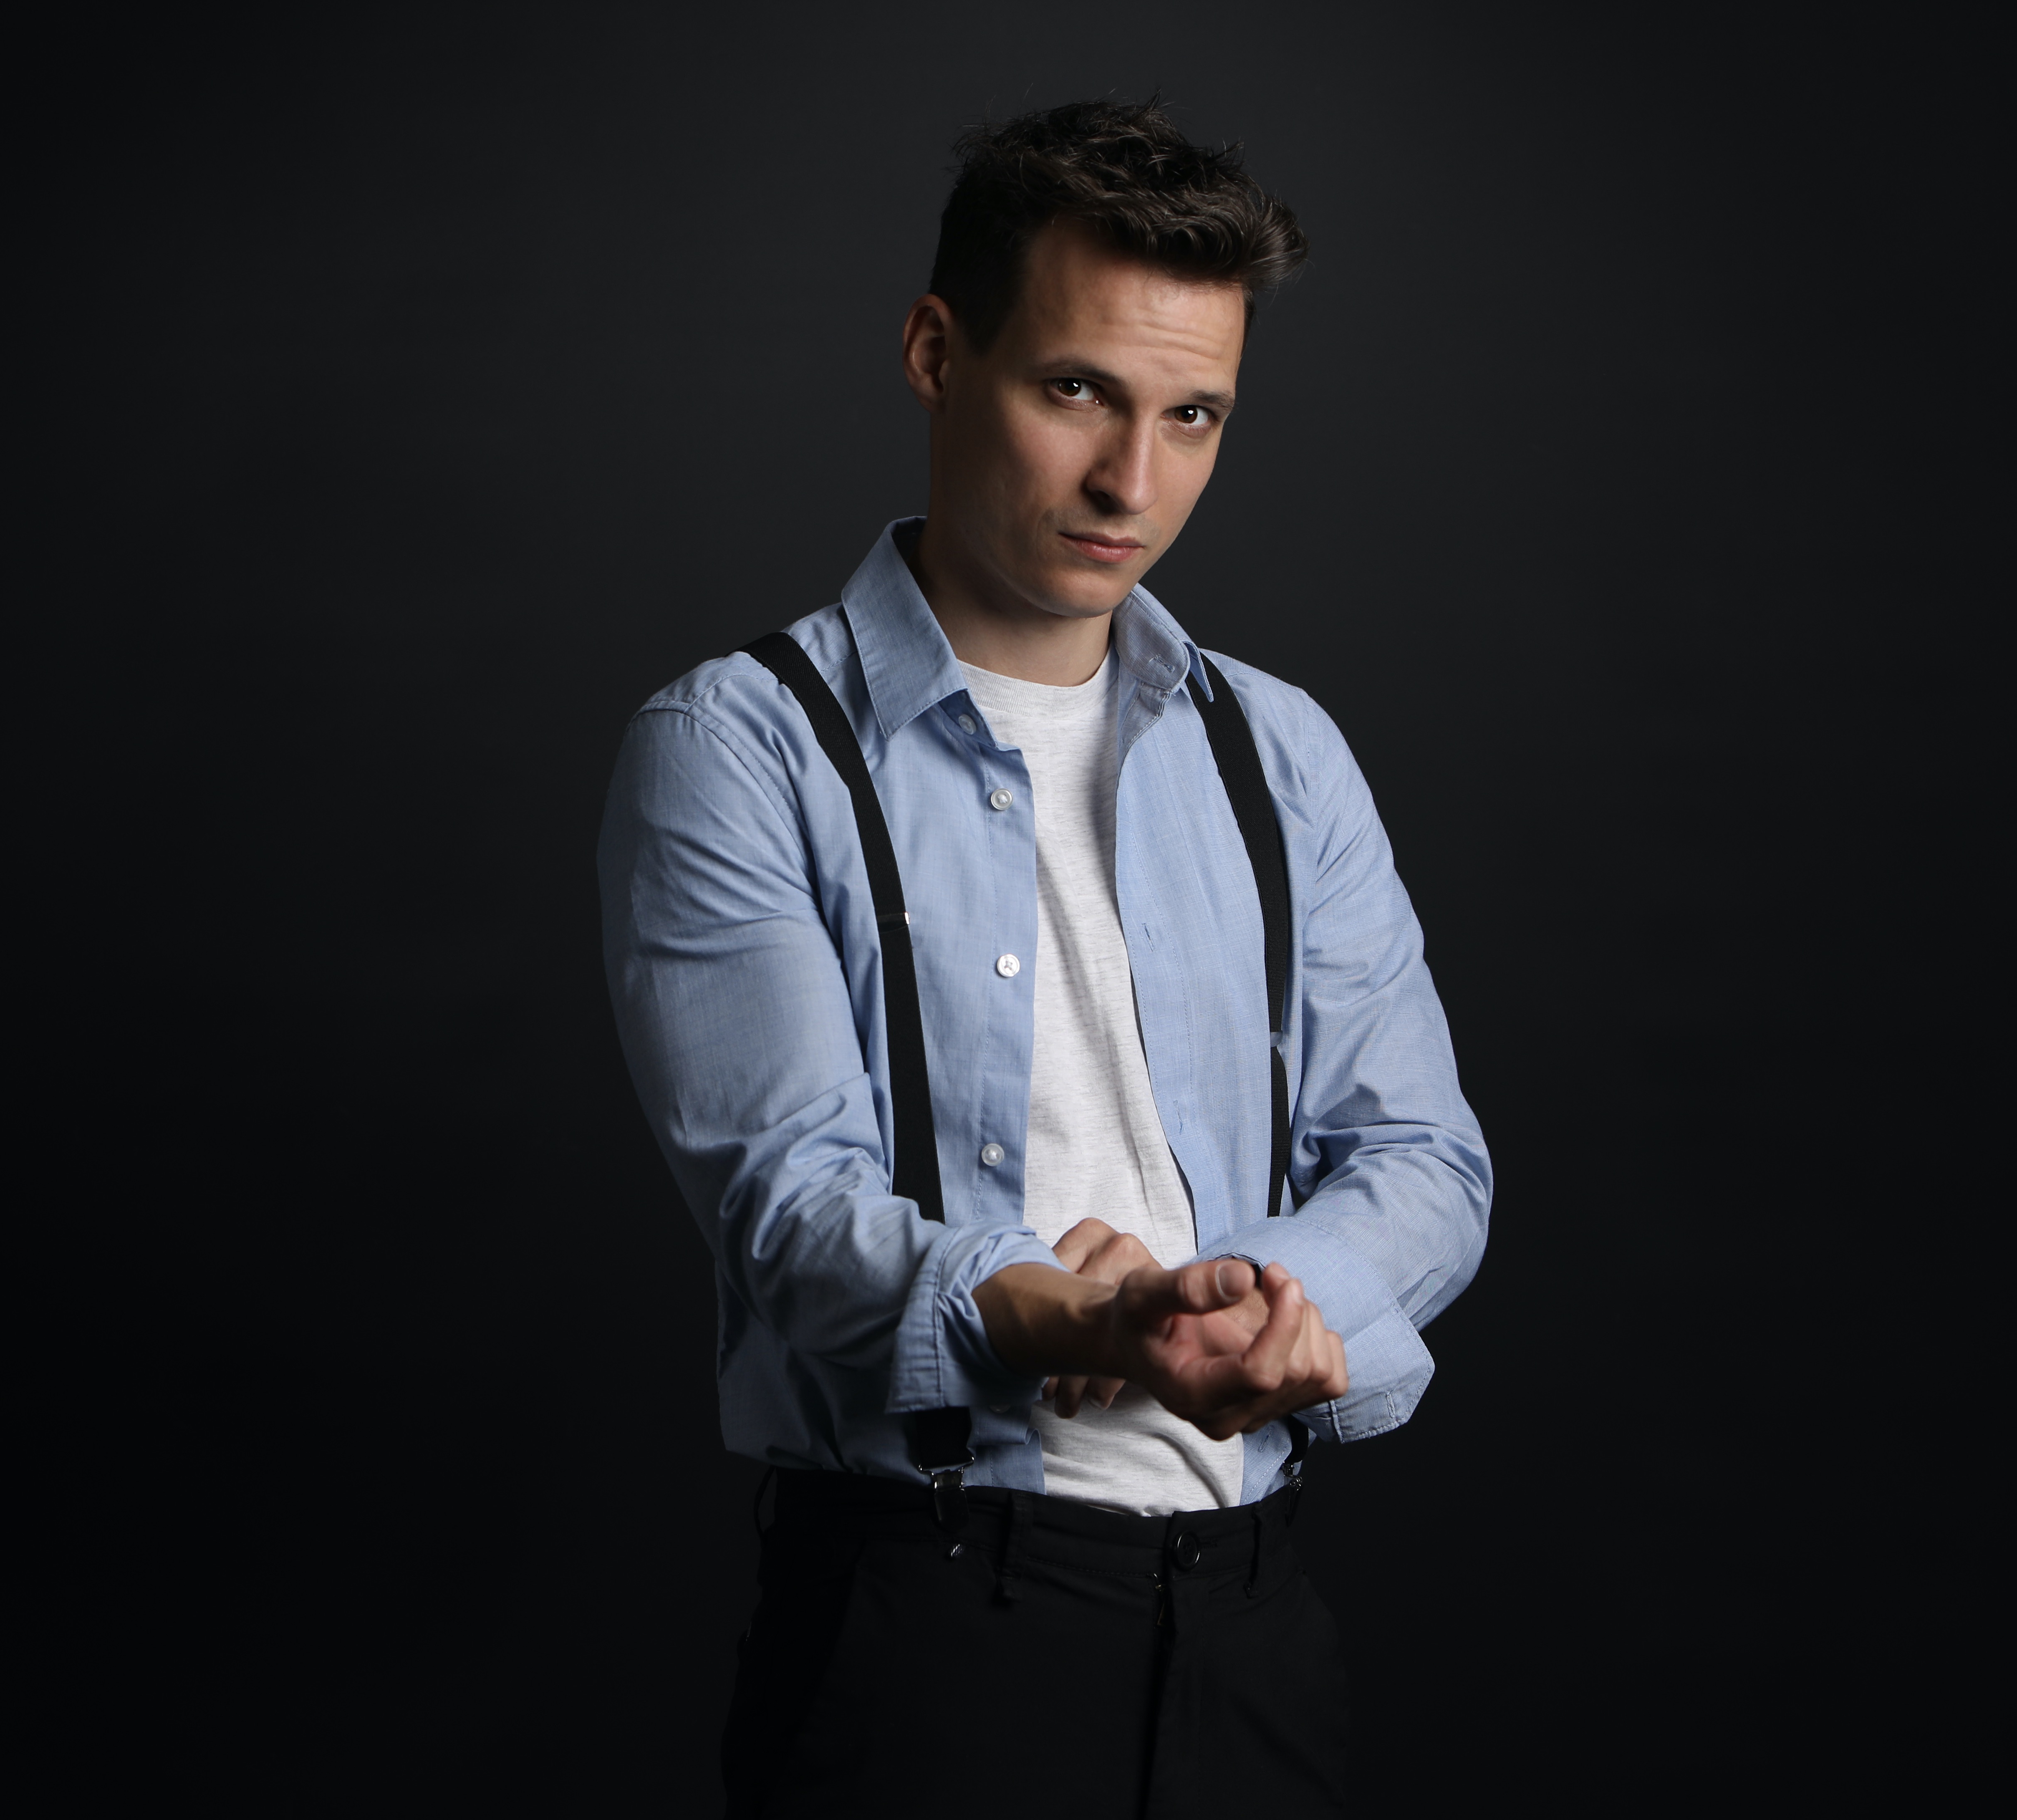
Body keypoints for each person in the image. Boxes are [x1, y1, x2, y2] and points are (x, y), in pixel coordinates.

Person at [598, 98, 1491, 1818]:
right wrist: (1084, 1315)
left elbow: (1423, 1160)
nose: (1129, 483)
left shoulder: (1278, 751)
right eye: (1077, 389)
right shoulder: (740, 746)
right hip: (932, 1622)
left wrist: (1235, 1295)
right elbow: (790, 1207)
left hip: (1250, 1622)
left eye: (1191, 416)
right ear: (938, 353)